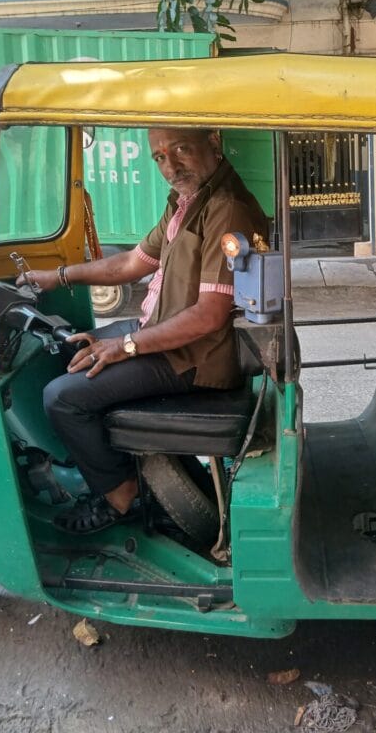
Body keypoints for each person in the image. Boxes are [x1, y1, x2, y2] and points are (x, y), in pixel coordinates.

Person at [18, 128, 269, 534]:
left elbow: (208, 316)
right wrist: (57, 276)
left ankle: (120, 493)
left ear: (214, 142)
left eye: (181, 150)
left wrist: (126, 345)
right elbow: (132, 264)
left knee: (62, 398)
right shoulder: (188, 202)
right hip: (163, 330)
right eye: (159, 157)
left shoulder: (226, 208)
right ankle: (111, 467)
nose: (170, 166)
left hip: (195, 357)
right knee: (68, 349)